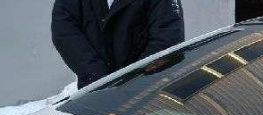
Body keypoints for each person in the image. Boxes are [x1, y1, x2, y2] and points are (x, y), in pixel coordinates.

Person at [52, 0, 186, 88]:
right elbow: (65, 32)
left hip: (146, 90)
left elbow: (168, 37)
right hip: (94, 91)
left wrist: (133, 80)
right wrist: (98, 77)